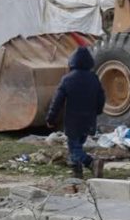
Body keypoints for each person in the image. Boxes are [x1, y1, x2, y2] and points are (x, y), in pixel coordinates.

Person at [45, 47, 106, 180]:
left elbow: (57, 100)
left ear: (72, 62)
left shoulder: (67, 79)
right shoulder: (94, 78)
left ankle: (92, 163)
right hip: (89, 120)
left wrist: (51, 118)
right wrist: (98, 111)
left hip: (73, 120)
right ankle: (77, 173)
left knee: (74, 148)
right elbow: (101, 97)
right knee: (78, 145)